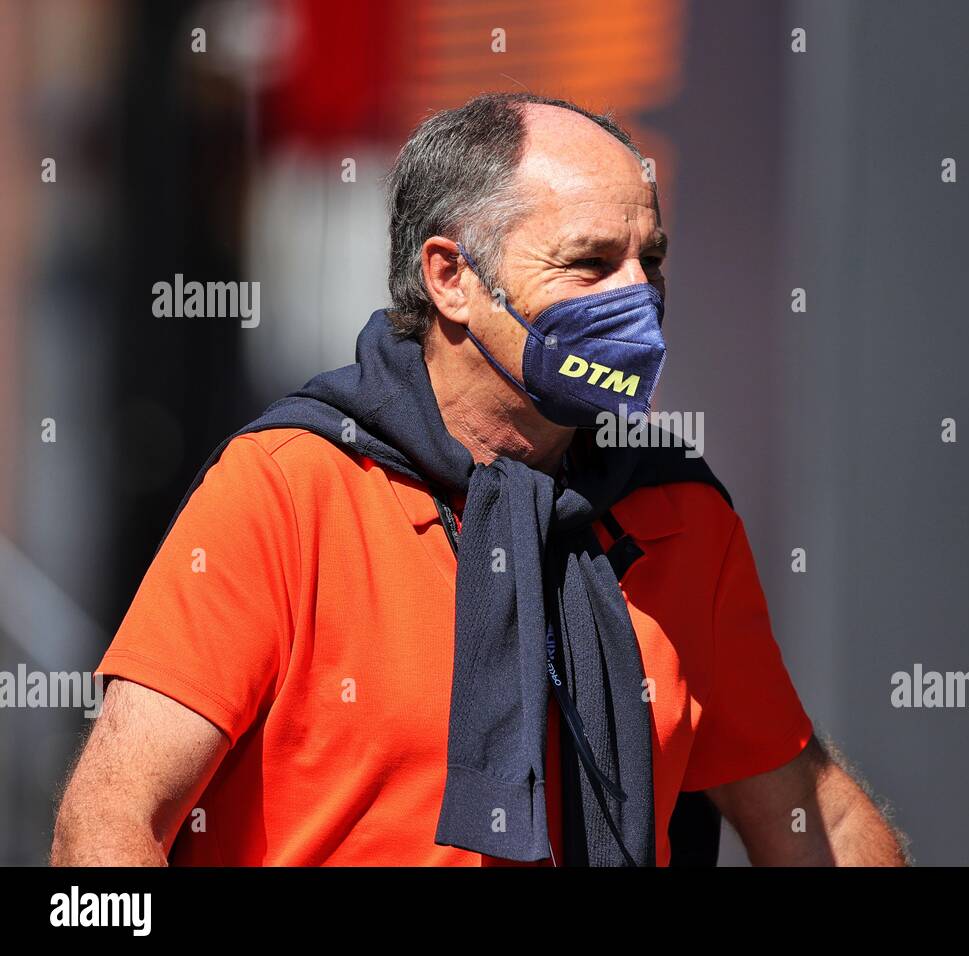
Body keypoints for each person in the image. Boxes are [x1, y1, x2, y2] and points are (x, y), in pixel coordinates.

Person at [50, 92, 907, 867]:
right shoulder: (289, 487)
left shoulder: (678, 513)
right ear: (451, 278)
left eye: (651, 259)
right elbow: (108, 821)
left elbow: (813, 818)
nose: (637, 297)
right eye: (591, 263)